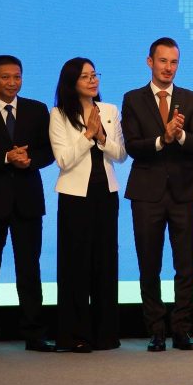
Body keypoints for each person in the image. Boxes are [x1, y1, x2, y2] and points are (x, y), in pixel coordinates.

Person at [122, 37, 193, 351]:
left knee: (186, 266)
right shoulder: (133, 99)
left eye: (174, 62)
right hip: (147, 194)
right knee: (149, 265)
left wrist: (180, 135)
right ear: (150, 62)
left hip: (184, 193)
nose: (168, 68)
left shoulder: (191, 99)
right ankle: (156, 330)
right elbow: (133, 146)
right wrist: (162, 138)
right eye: (163, 61)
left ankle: (182, 329)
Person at [0, 55, 56, 356]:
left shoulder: (37, 110)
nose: (12, 83)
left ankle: (34, 334)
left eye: (17, 77)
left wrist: (29, 160)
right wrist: (5, 158)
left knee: (30, 269)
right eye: (6, 77)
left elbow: (49, 151)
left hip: (28, 201)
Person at [49, 58, 127, 352]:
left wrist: (103, 137)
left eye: (95, 75)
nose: (93, 80)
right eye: (85, 77)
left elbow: (121, 155)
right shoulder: (58, 114)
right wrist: (88, 135)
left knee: (105, 263)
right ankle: (76, 335)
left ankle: (105, 334)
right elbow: (63, 160)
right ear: (72, 82)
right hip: (74, 198)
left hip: (106, 195)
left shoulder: (109, 110)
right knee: (75, 264)